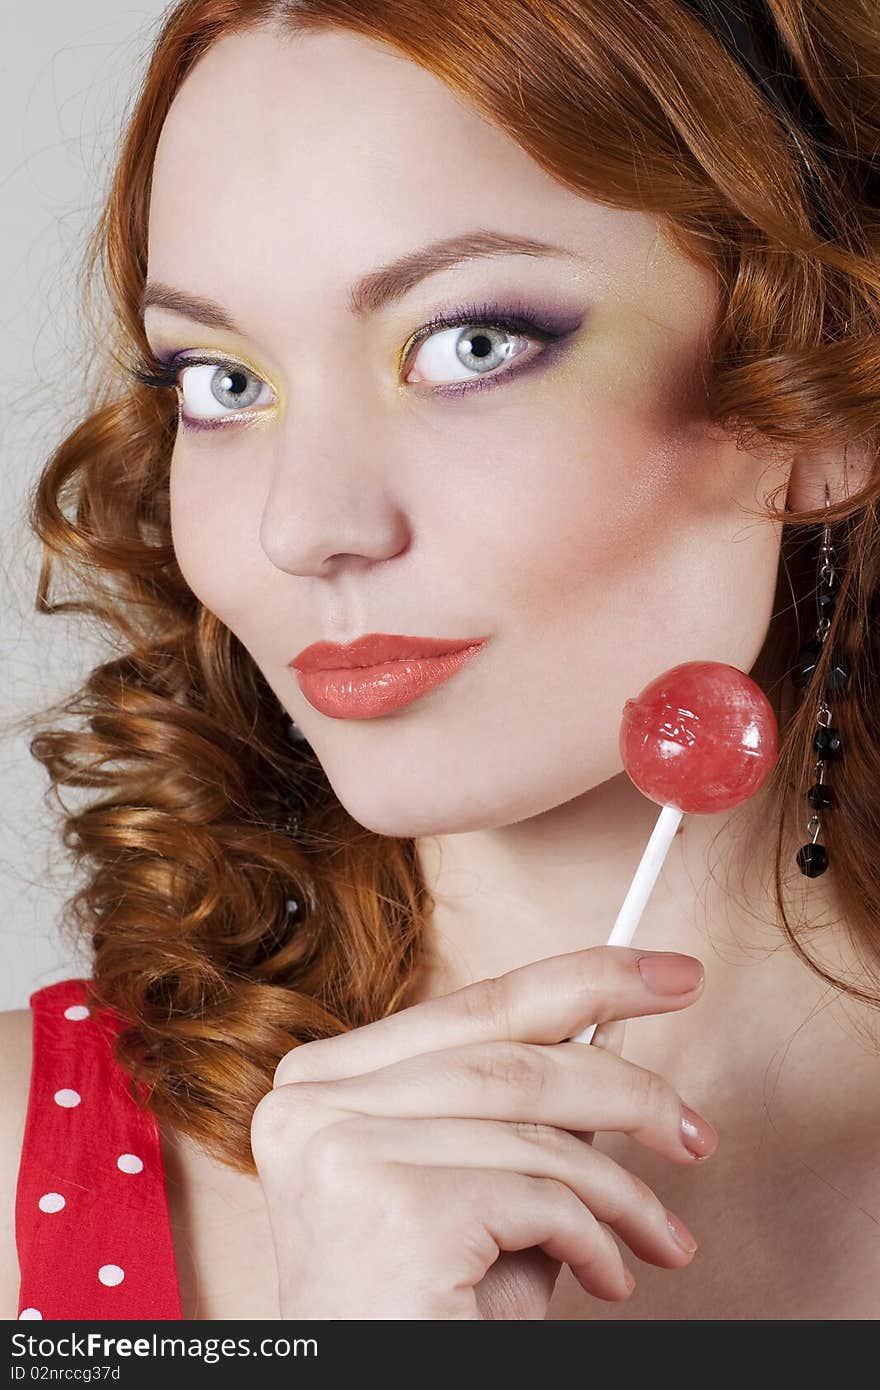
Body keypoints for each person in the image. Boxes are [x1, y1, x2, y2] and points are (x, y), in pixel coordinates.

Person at [2, 0, 879, 1320]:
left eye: (472, 342)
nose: (304, 525)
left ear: (822, 399)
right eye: (220, 380)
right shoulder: (26, 1164)